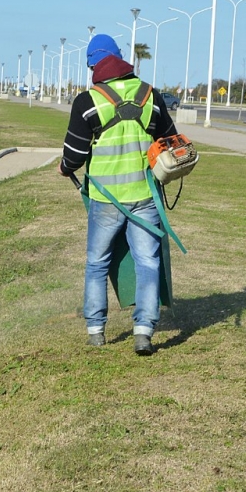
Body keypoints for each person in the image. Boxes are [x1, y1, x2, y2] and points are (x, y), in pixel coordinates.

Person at [58, 33, 177, 356]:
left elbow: (74, 156)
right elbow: (170, 142)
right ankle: (144, 331)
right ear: (122, 60)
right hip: (145, 195)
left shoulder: (87, 101)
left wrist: (65, 168)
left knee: (97, 263)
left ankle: (96, 330)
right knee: (147, 262)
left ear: (94, 65)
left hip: (105, 199)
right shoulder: (150, 95)